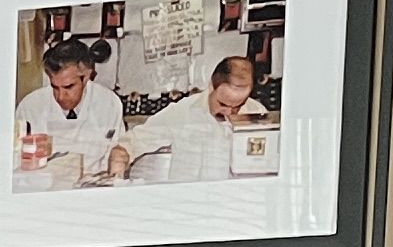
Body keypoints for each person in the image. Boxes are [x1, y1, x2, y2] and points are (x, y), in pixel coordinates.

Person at [115, 50, 274, 182]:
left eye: (238, 105)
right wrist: (120, 156)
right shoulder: (182, 112)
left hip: (232, 207)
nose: (230, 112)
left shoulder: (257, 114)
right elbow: (134, 141)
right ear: (211, 86)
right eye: (223, 104)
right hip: (188, 206)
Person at [13, 36, 129, 185]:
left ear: (86, 77)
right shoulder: (31, 106)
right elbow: (12, 165)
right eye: (55, 87)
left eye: (69, 87)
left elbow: (117, 153)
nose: (60, 96)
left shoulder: (109, 103)